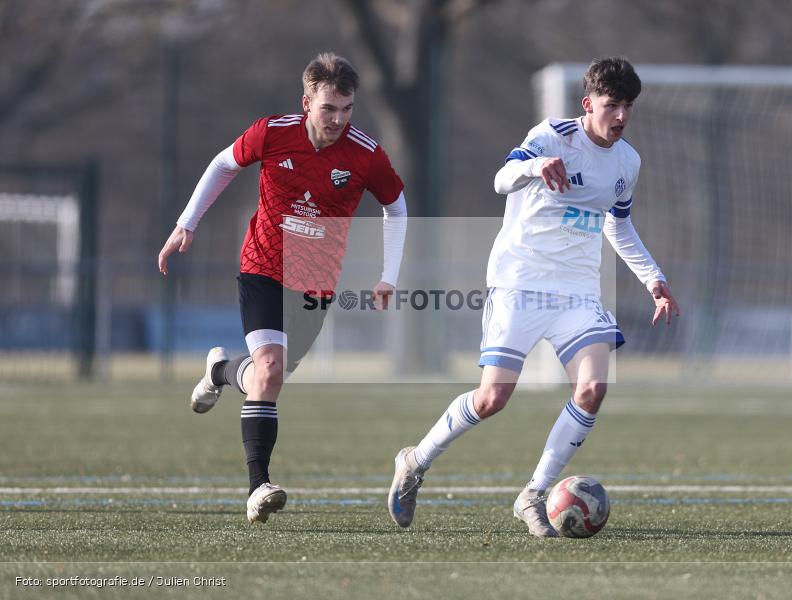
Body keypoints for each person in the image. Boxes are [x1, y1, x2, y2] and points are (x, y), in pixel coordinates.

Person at [387, 57, 678, 537]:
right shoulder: (552, 134)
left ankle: (534, 495)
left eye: (628, 106)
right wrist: (535, 165)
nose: (622, 116)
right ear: (589, 104)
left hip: (577, 291)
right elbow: (501, 180)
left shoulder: (628, 162)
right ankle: (415, 461)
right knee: (493, 398)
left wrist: (654, 278)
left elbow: (618, 224)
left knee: (592, 388)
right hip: (520, 282)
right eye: (612, 105)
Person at [158, 52, 407, 524]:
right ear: (307, 101)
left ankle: (219, 371)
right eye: (328, 108)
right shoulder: (272, 133)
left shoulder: (366, 154)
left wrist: (388, 274)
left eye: (347, 109)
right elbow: (222, 164)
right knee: (270, 372)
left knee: (265, 378)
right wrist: (186, 223)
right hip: (264, 268)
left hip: (316, 282)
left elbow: (397, 206)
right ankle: (258, 487)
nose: (338, 120)